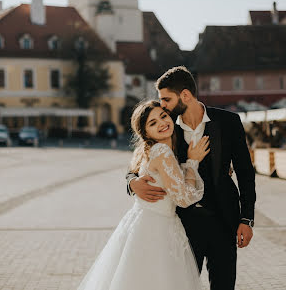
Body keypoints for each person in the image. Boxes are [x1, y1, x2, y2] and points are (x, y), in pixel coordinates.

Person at [126, 66, 256, 290]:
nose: (162, 105)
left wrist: (247, 219)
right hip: (183, 226)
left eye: (166, 99)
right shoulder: (166, 125)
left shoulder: (228, 122)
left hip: (223, 222)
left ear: (185, 95)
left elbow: (245, 172)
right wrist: (132, 183)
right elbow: (141, 159)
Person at [77, 100, 210, 290]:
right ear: (145, 132)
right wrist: (192, 163)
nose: (162, 123)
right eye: (152, 123)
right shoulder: (162, 151)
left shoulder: (151, 150)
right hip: (156, 228)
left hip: (146, 222)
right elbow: (183, 199)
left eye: (163, 116)